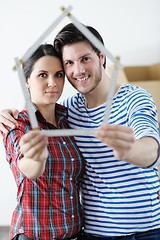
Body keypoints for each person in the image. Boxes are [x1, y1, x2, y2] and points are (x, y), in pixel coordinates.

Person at [1, 23, 160, 239]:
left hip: (148, 230)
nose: (78, 70)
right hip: (96, 233)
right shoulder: (68, 111)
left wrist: (130, 151)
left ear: (101, 57)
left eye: (85, 59)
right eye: (69, 63)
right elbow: (27, 162)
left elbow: (151, 147)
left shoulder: (134, 98)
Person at [1, 44, 85, 240]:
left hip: (75, 234)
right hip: (34, 235)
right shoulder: (17, 125)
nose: (53, 83)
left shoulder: (69, 120)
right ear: (26, 80)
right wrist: (35, 158)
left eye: (58, 75)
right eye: (42, 75)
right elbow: (27, 167)